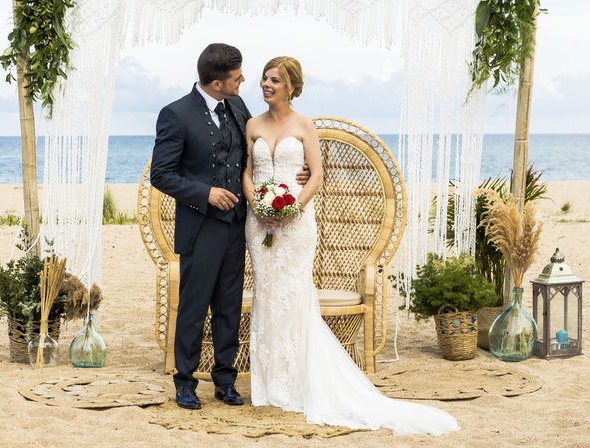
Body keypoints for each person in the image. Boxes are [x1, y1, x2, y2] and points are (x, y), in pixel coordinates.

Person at [242, 56, 461, 436]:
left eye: (274, 79)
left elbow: (317, 175)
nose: (266, 84)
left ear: (291, 86)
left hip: (296, 224)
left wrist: (293, 206)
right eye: (264, 78)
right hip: (258, 222)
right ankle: (267, 387)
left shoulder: (304, 125)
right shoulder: (252, 124)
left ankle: (297, 383)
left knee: (293, 295)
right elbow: (248, 171)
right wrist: (256, 205)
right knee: (267, 293)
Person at [150, 44, 308, 410]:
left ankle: (225, 380)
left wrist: (296, 171)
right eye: (238, 77)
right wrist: (205, 193)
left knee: (229, 306)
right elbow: (162, 174)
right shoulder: (175, 114)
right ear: (217, 83)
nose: (244, 81)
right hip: (200, 226)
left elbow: (257, 154)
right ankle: (185, 382)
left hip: (238, 225)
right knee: (193, 306)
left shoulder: (238, 107)